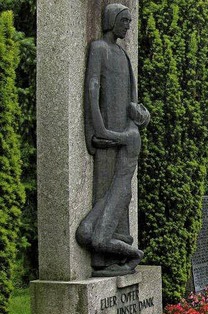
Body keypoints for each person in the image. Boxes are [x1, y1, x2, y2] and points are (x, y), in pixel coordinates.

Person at [76, 3, 150, 277]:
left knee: (119, 199)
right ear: (111, 21)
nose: (128, 25)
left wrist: (139, 114)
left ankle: (120, 254)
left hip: (121, 133)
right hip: (106, 135)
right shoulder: (100, 49)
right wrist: (97, 130)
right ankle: (103, 257)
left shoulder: (124, 54)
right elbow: (92, 90)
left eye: (130, 21)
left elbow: (132, 99)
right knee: (105, 189)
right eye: (125, 20)